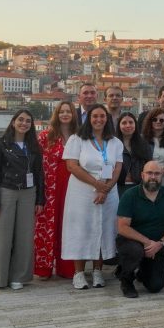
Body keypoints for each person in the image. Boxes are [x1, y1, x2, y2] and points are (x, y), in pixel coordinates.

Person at [62, 105, 123, 290]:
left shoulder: (115, 142)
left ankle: (98, 271)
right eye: (94, 116)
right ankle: (79, 273)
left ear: (107, 119)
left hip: (108, 193)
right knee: (80, 230)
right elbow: (72, 166)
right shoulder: (77, 139)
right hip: (82, 192)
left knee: (104, 230)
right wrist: (96, 185)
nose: (98, 119)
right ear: (88, 119)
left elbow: (118, 168)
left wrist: (105, 189)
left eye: (102, 116)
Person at [0, 109, 45, 290]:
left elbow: (39, 174)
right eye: (20, 120)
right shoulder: (1, 144)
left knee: (24, 237)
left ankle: (19, 277)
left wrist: (40, 200)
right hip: (7, 192)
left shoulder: (34, 146)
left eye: (28, 121)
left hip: (28, 193)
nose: (24, 123)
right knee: (2, 237)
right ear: (13, 122)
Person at [114, 161, 164, 298]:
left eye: (157, 173)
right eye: (149, 173)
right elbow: (122, 227)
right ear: (142, 175)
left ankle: (142, 270)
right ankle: (126, 280)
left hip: (156, 246)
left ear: (161, 176)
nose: (153, 177)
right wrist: (146, 242)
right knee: (135, 251)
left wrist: (160, 244)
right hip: (131, 242)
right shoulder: (130, 195)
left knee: (156, 286)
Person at [34, 100, 77, 280]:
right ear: (57, 115)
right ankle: (43, 268)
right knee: (47, 227)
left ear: (73, 115)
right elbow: (36, 164)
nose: (65, 114)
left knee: (68, 226)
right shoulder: (46, 136)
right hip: (50, 188)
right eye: (62, 112)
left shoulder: (80, 137)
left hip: (73, 187)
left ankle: (67, 268)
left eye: (68, 111)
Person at [115, 112, 151, 197]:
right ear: (119, 126)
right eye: (124, 123)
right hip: (118, 187)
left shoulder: (143, 144)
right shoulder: (113, 144)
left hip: (139, 187)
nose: (128, 125)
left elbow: (148, 165)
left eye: (131, 122)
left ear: (135, 124)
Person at [141, 106, 164, 190]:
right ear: (150, 122)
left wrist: (162, 172)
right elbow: (140, 160)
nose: (158, 122)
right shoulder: (142, 140)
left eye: (161, 120)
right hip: (147, 180)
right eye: (154, 119)